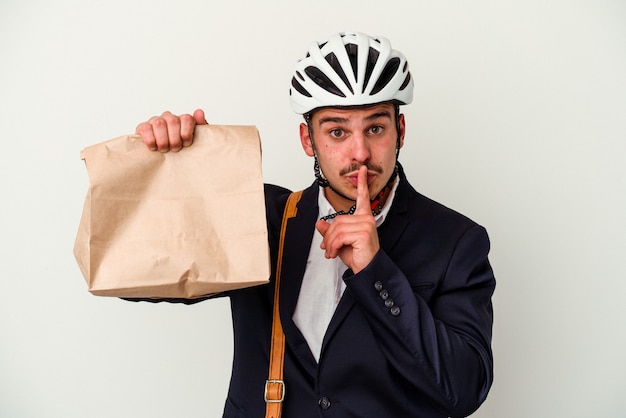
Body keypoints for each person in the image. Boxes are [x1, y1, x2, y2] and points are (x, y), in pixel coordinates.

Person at [133, 32, 495, 417]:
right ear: (309, 140)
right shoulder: (260, 216)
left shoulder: (455, 241)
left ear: (400, 131)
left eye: (375, 128)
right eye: (337, 132)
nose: (360, 153)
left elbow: (463, 389)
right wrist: (170, 167)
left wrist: (377, 272)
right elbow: (142, 271)